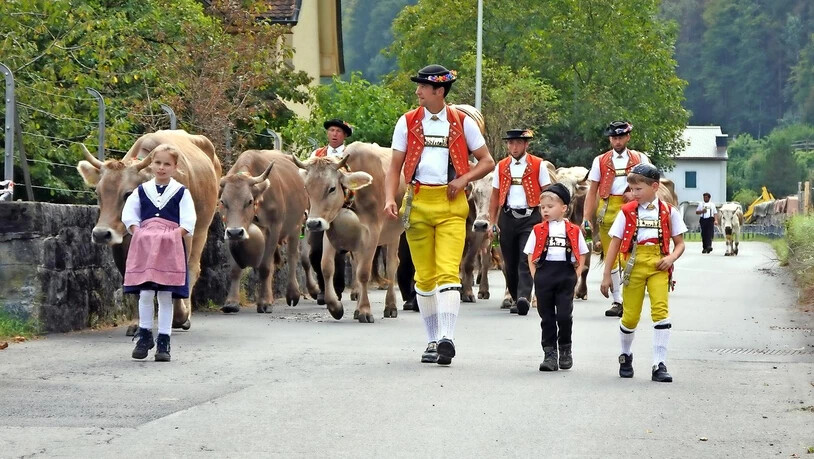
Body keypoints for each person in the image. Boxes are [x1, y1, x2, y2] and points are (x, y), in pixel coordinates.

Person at [384, 64, 495, 366]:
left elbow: (487, 161)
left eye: (422, 86)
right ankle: (432, 339)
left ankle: (447, 337)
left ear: (439, 91)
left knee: (448, 271)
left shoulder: (463, 122)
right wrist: (389, 198)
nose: (417, 91)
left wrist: (463, 179)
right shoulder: (407, 122)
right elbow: (394, 167)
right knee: (424, 276)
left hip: (451, 204)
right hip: (417, 202)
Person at [600, 163, 687, 383]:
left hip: (659, 266)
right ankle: (625, 355)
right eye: (631, 189)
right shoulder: (626, 212)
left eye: (638, 189)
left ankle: (659, 364)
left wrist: (671, 258)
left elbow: (680, 243)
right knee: (630, 316)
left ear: (654, 187)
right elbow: (614, 244)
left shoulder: (669, 212)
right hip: (633, 266)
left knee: (661, 311)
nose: (633, 193)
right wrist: (607, 275)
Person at [122, 145, 197, 362]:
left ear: (175, 167)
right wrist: (137, 231)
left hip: (169, 245)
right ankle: (145, 335)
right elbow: (129, 214)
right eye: (157, 163)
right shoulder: (142, 190)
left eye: (167, 164)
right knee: (145, 292)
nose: (161, 168)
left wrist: (175, 234)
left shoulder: (181, 192)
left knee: (165, 295)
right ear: (151, 164)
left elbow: (189, 219)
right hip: (145, 245)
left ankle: (164, 340)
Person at [583, 121, 651, 318]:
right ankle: (617, 300)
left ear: (628, 137)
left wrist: (636, 193)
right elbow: (592, 190)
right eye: (614, 138)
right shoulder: (600, 160)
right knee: (610, 257)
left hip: (633, 210)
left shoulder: (640, 158)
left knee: (630, 254)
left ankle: (630, 298)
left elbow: (651, 183)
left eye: (621, 137)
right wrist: (586, 217)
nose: (617, 141)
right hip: (607, 210)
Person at [524, 183, 589, 371]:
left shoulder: (574, 230)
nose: (545, 210)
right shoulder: (538, 230)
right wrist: (536, 275)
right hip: (545, 273)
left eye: (550, 207)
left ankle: (565, 348)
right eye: (542, 207)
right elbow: (530, 254)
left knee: (564, 315)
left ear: (564, 208)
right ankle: (550, 354)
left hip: (565, 274)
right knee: (547, 317)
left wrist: (576, 274)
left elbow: (582, 253)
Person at [487, 128, 551, 315]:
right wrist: (493, 221)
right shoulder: (501, 166)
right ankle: (515, 296)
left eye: (518, 143)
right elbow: (495, 195)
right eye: (511, 143)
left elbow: (547, 192)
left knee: (525, 257)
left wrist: (547, 218)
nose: (514, 147)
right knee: (509, 260)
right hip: (507, 217)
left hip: (530, 217)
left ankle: (524, 296)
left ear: (526, 145)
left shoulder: (538, 164)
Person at [308, 118, 352, 304]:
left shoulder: (349, 155)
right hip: (319, 210)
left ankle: (336, 289)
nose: (334, 134)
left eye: (338, 131)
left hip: (341, 208)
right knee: (315, 250)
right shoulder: (316, 154)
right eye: (332, 130)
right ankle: (323, 285)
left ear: (344, 136)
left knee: (338, 251)